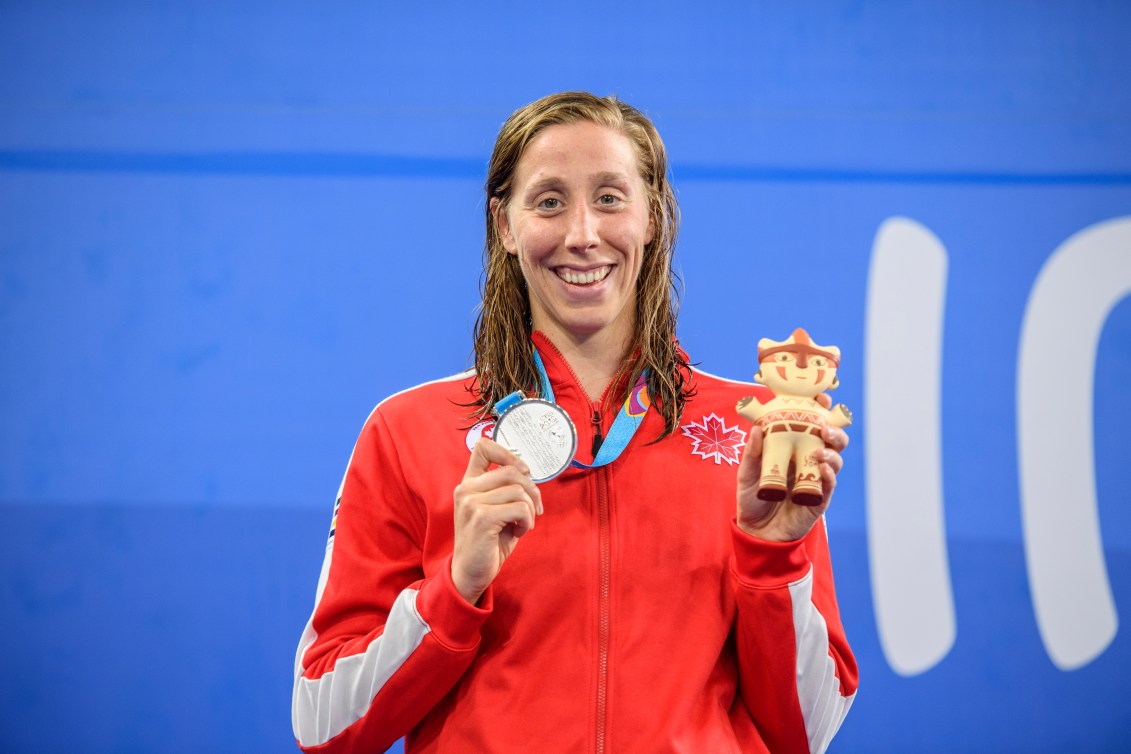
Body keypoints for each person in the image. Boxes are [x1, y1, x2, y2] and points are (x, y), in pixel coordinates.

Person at [292, 91, 858, 754]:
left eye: (610, 198)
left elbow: (807, 734)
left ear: (653, 217)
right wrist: (456, 586)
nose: (582, 233)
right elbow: (323, 721)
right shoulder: (408, 431)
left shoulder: (748, 435)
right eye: (549, 200)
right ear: (504, 225)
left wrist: (771, 558)